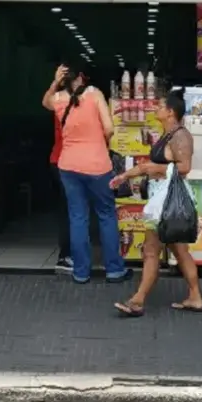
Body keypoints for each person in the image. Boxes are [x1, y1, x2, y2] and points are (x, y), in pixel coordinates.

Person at [110, 88, 202, 317]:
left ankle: (138, 300)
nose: (156, 109)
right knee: (180, 251)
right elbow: (148, 167)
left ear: (170, 112)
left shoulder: (181, 136)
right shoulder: (168, 134)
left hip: (167, 203)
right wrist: (126, 175)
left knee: (151, 251)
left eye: (161, 106)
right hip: (162, 200)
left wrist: (154, 168)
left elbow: (184, 167)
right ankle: (195, 297)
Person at [42, 64, 131, 285]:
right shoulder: (95, 94)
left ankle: (81, 272)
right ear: (81, 78)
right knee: (106, 214)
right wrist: (100, 143)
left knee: (77, 217)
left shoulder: (58, 99)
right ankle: (114, 270)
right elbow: (109, 128)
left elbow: (45, 101)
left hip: (68, 165)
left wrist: (54, 82)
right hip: (97, 165)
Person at [49, 105, 73, 273]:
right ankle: (66, 255)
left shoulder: (58, 104)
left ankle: (67, 254)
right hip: (69, 163)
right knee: (72, 212)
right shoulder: (72, 107)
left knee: (68, 211)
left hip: (59, 161)